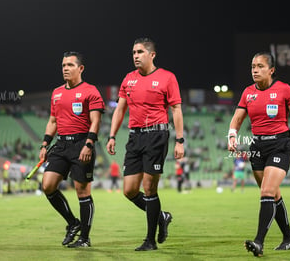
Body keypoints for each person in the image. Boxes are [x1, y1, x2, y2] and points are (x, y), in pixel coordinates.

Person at [227, 52, 290, 257]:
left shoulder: (285, 90)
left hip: (280, 145)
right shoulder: (248, 93)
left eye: (260, 66)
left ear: (271, 70)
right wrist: (232, 136)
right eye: (252, 66)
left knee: (266, 191)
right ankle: (288, 237)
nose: (255, 70)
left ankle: (258, 242)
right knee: (273, 195)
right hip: (257, 147)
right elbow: (237, 119)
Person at [106, 37, 184, 251]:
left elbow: (176, 110)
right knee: (129, 190)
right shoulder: (128, 79)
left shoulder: (167, 78)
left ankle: (150, 240)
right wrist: (112, 135)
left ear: (152, 55)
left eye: (140, 52)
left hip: (156, 136)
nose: (136, 56)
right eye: (133, 52)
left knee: (149, 188)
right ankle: (162, 217)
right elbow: (120, 109)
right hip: (134, 137)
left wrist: (179, 140)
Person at [39, 51, 105, 248]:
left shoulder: (90, 91)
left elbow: (96, 121)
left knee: (82, 192)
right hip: (61, 144)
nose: (65, 69)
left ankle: (85, 238)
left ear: (80, 68)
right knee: (48, 185)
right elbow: (53, 121)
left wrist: (89, 144)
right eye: (63, 66)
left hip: (81, 143)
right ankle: (72, 223)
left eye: (69, 65)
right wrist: (44, 145)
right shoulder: (56, 93)